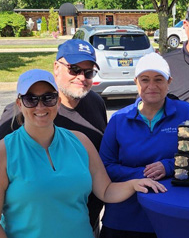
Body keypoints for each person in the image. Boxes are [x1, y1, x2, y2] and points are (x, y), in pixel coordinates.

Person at [0, 69, 167, 238]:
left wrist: (134, 184)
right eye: (31, 99)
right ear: (19, 104)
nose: (40, 106)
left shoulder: (80, 141)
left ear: (58, 102)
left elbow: (106, 190)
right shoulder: (4, 151)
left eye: (48, 98)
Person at [0, 39, 107, 236]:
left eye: (88, 72)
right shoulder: (12, 119)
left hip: (86, 224)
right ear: (56, 67)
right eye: (74, 69)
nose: (81, 77)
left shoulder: (95, 102)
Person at [99, 53, 189, 238]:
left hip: (171, 214)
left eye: (158, 79)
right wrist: (141, 176)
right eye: (145, 79)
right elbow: (105, 166)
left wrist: (168, 166)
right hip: (124, 217)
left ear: (169, 82)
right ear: (136, 82)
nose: (151, 86)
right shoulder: (119, 119)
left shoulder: (186, 113)